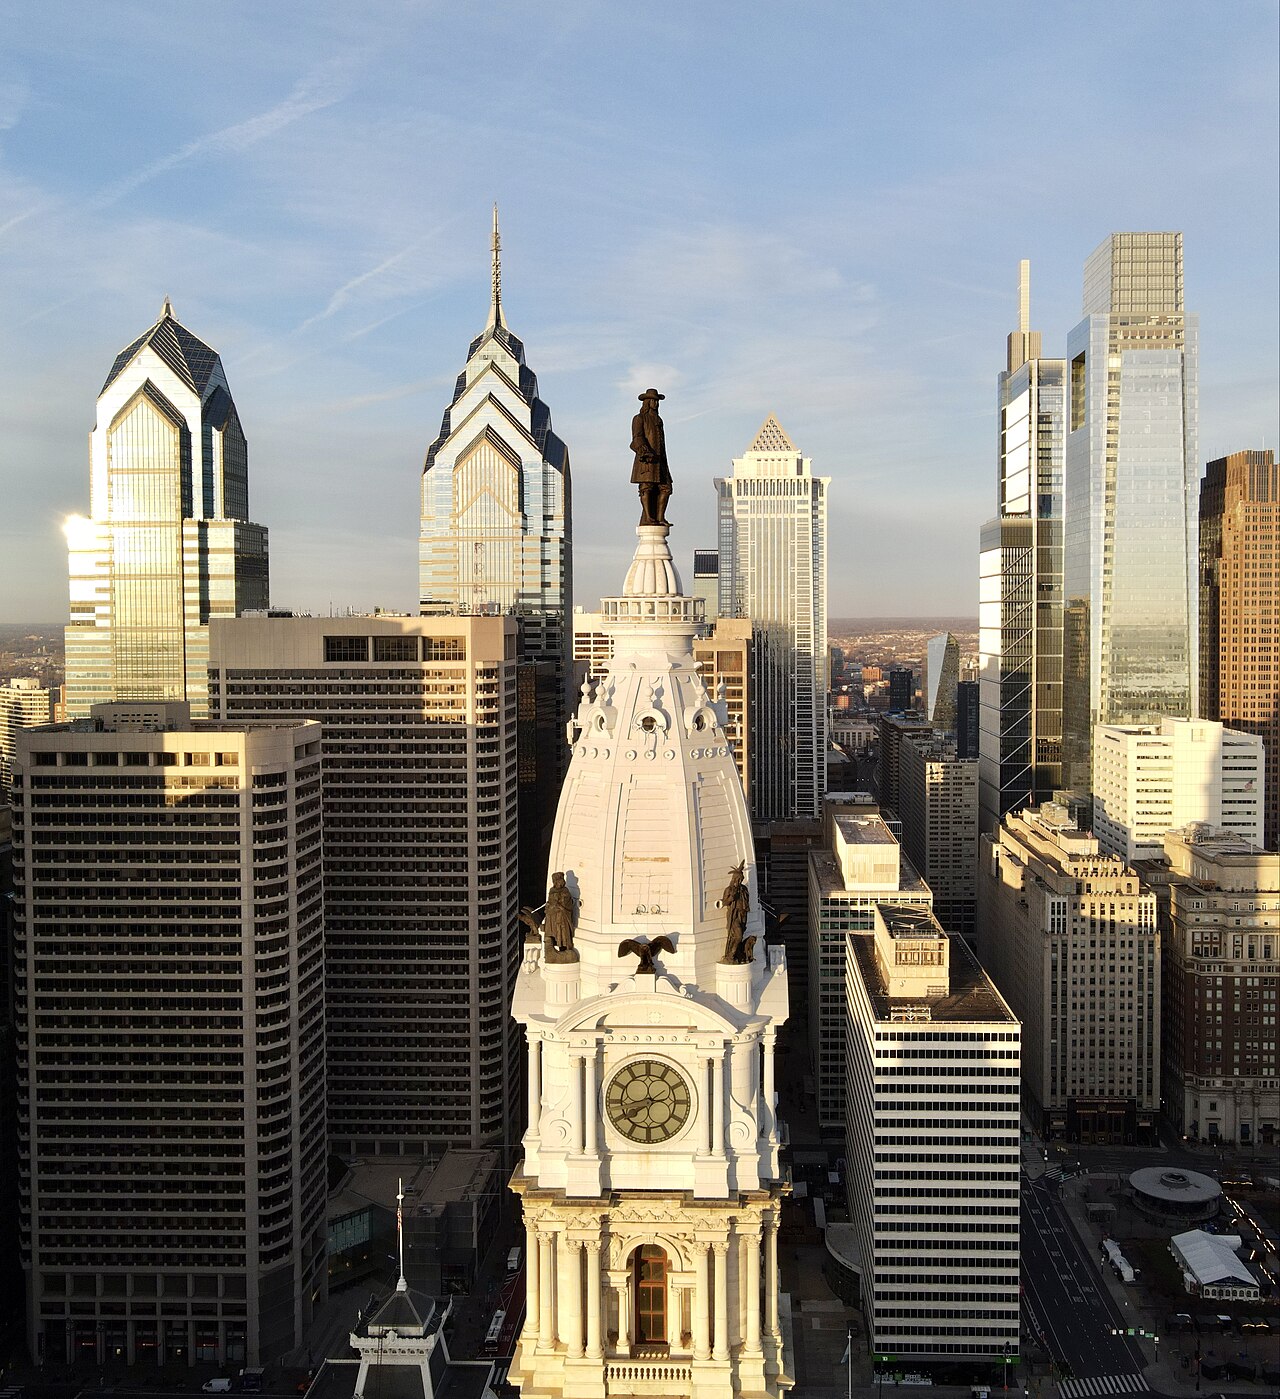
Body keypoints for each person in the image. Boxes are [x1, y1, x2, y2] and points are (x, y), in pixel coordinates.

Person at [630, 388, 672, 526]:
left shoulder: (659, 420)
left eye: (657, 401)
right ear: (647, 402)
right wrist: (644, 450)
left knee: (666, 488)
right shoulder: (639, 418)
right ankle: (648, 517)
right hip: (646, 460)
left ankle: (660, 517)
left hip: (660, 461)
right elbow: (637, 437)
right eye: (653, 400)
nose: (656, 403)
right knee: (646, 487)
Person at [719, 861, 750, 963]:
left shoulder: (744, 889)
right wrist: (731, 898)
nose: (739, 881)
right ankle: (731, 954)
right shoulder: (729, 890)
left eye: (741, 879)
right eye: (738, 879)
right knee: (738, 935)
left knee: (741, 935)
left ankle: (737, 953)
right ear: (734, 879)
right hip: (734, 916)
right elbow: (724, 902)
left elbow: (747, 900)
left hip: (743, 914)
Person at [543, 871, 576, 953]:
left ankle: (565, 947)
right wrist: (550, 906)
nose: (558, 883)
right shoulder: (552, 890)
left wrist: (559, 906)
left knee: (563, 932)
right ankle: (556, 944)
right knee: (555, 931)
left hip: (562, 917)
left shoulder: (565, 891)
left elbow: (567, 904)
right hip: (553, 916)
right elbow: (550, 902)